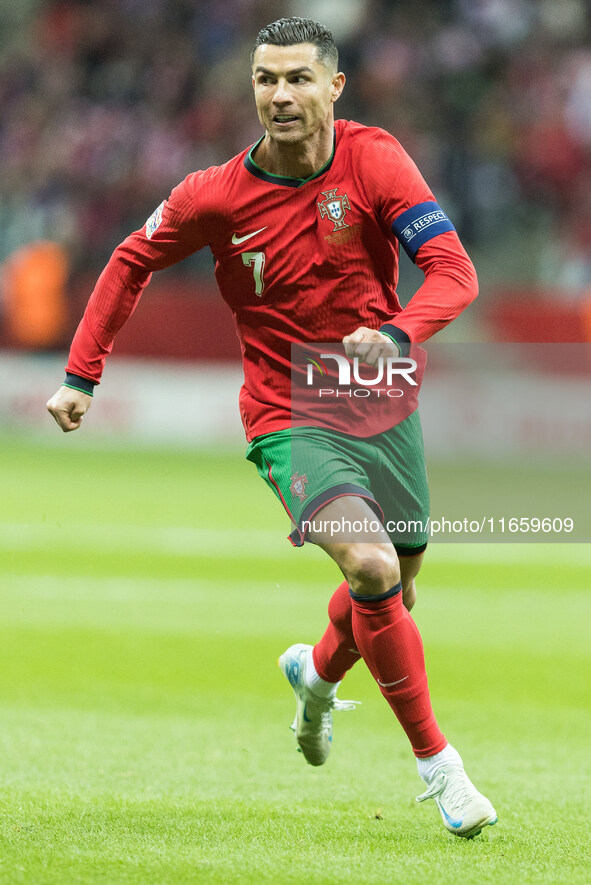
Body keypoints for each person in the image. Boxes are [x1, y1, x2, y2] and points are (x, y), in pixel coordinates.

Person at [47, 17, 497, 839]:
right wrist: (83, 373)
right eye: (264, 79)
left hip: (383, 397)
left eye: (296, 78)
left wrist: (396, 332)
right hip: (288, 409)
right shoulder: (211, 194)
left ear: (334, 87)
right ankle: (441, 768)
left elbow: (453, 273)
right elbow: (128, 259)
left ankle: (315, 678)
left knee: (393, 584)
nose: (279, 95)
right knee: (368, 564)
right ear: (250, 87)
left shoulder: (375, 159)